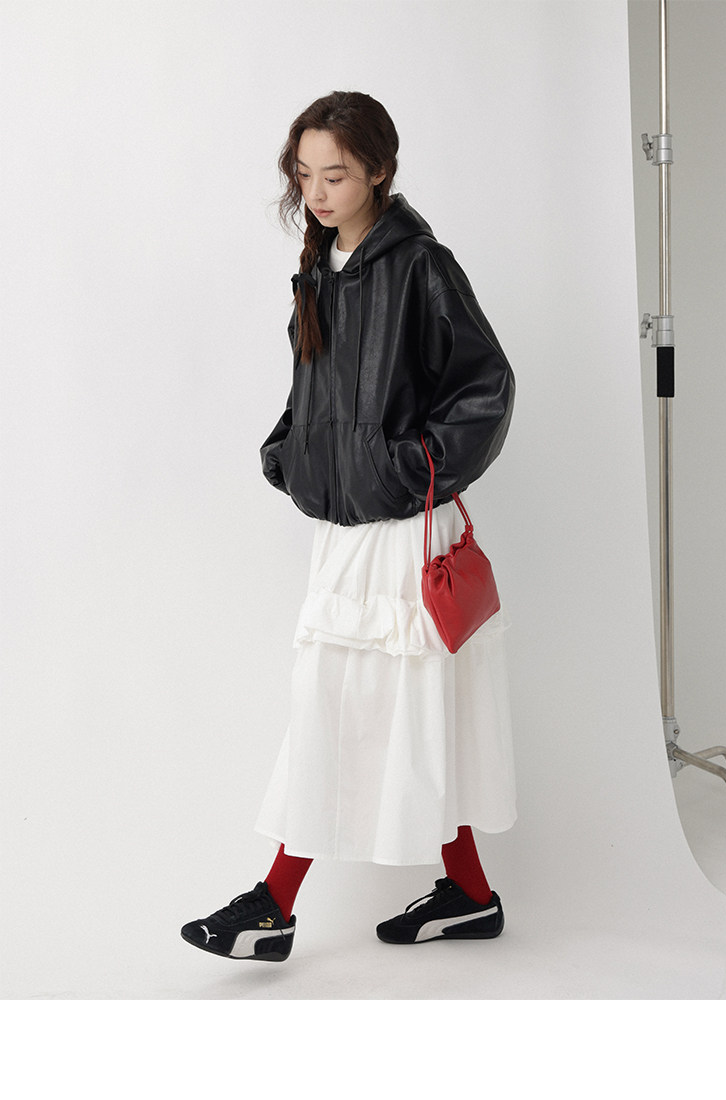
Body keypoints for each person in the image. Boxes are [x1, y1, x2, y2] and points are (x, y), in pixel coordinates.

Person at [181, 91, 516, 963]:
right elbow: (314, 390)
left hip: (400, 529)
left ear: (378, 170)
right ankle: (471, 894)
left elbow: (488, 388)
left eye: (335, 174)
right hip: (345, 527)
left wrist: (405, 468)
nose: (318, 192)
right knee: (385, 709)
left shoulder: (421, 266)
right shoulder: (319, 269)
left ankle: (273, 905)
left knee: (346, 709)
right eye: (305, 175)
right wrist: (290, 452)